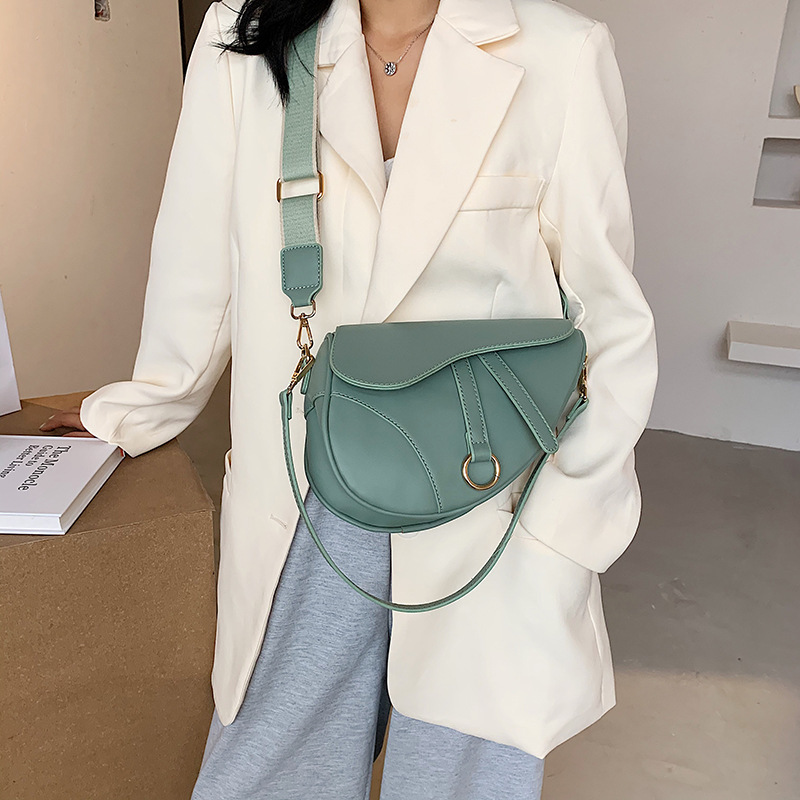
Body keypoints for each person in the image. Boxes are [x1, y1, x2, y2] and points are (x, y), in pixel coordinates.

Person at [43, 0, 659, 796]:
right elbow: (200, 269)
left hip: (494, 506)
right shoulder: (244, 36)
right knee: (270, 773)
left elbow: (609, 321)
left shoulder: (562, 52)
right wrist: (139, 406)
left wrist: (565, 531)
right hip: (312, 490)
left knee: (461, 781)